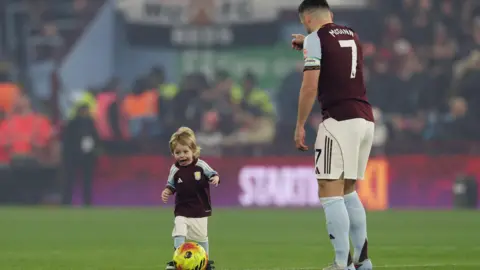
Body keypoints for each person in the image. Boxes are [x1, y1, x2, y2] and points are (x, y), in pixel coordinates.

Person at [292, 1, 374, 270]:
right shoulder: (351, 34)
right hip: (364, 119)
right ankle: (363, 262)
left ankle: (341, 264)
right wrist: (308, 43)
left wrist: (300, 124)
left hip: (338, 121)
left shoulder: (316, 39)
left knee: (329, 190)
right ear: (331, 15)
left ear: (306, 19)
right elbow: (336, 58)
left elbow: (309, 87)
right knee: (348, 190)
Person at [161, 127, 220, 270]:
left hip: (200, 209)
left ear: (193, 151)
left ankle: (205, 262)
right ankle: (177, 261)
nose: (182, 156)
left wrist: (215, 178)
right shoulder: (175, 169)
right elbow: (171, 184)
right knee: (179, 232)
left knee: (201, 237)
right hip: (182, 209)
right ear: (173, 153)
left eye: (185, 152)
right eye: (177, 152)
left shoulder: (200, 165)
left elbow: (212, 173)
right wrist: (167, 191)